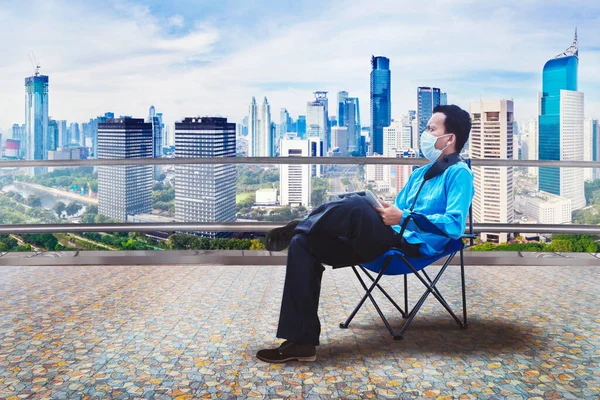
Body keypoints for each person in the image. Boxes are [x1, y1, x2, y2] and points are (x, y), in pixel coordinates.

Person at [256, 105, 474, 363]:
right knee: (304, 243)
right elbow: (399, 208)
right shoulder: (419, 174)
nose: (425, 134)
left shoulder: (460, 174)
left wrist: (403, 217)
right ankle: (301, 342)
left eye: (431, 129)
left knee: (357, 207)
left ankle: (302, 223)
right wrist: (385, 208)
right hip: (384, 238)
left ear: (449, 138)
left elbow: (454, 225)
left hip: (410, 247)